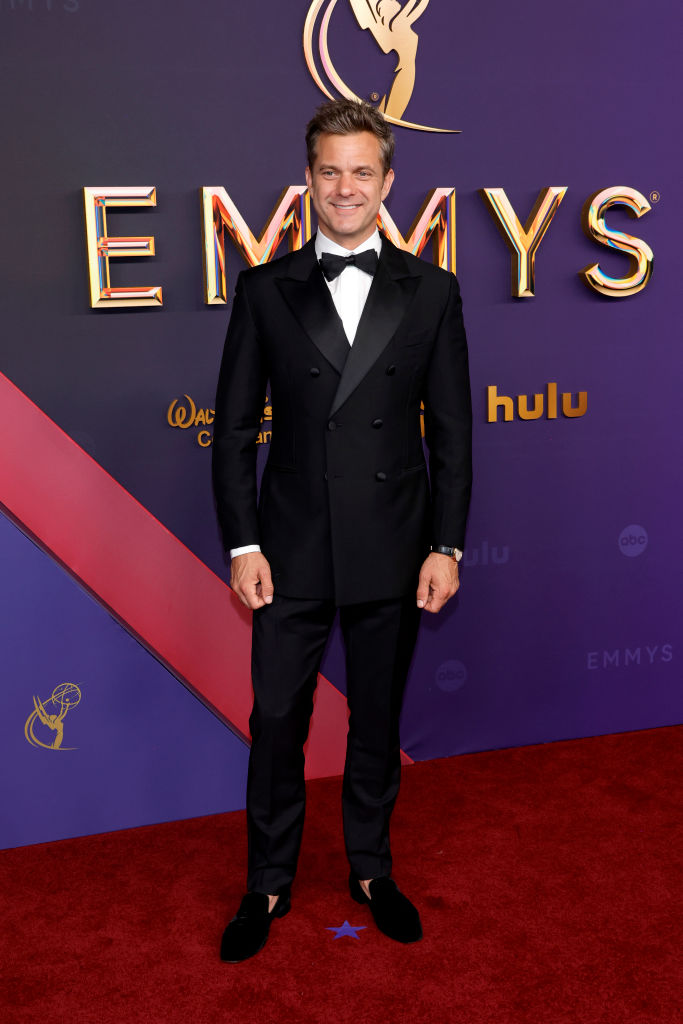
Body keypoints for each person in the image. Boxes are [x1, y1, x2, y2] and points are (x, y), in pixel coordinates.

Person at [211, 98, 472, 962]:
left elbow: (454, 434)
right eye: (330, 171)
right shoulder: (264, 288)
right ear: (308, 180)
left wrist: (447, 545)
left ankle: (371, 868)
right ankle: (267, 882)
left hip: (393, 545)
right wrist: (243, 544)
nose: (346, 187)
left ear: (389, 181)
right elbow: (236, 427)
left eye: (363, 171)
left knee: (375, 722)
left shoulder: (433, 291)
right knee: (277, 720)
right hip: (286, 550)